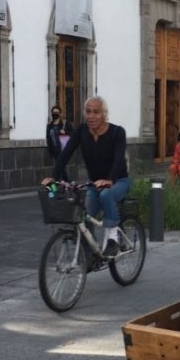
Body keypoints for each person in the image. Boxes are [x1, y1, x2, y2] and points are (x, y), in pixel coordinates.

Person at [44, 96, 130, 257]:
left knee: (106, 194)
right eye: (88, 112)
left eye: (96, 112)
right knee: (84, 214)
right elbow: (66, 153)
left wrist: (109, 179)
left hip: (118, 181)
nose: (91, 116)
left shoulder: (117, 132)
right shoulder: (82, 131)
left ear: (104, 114)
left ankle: (113, 239)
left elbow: (119, 159)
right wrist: (53, 177)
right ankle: (89, 254)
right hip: (94, 183)